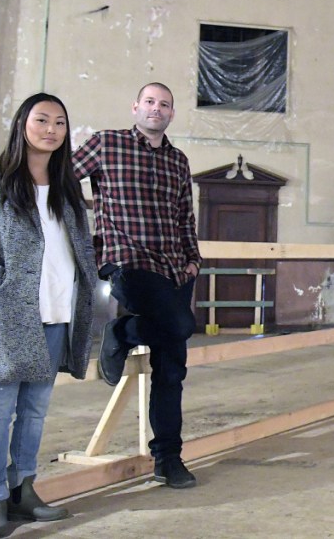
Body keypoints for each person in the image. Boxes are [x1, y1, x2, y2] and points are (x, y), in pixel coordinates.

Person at [0, 93, 96, 538]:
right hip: (10, 317)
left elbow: (80, 248)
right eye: (41, 119)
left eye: (60, 123)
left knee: (35, 411)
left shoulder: (68, 188)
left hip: (58, 316)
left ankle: (24, 490)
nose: (50, 129)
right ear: (22, 124)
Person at [72, 82, 201, 489]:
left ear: (171, 114)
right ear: (135, 107)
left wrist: (193, 259)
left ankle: (168, 458)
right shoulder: (105, 144)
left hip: (175, 268)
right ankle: (122, 329)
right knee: (180, 326)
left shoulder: (178, 161)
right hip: (127, 261)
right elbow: (60, 178)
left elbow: (185, 216)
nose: (156, 109)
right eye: (150, 102)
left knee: (171, 366)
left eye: (164, 104)